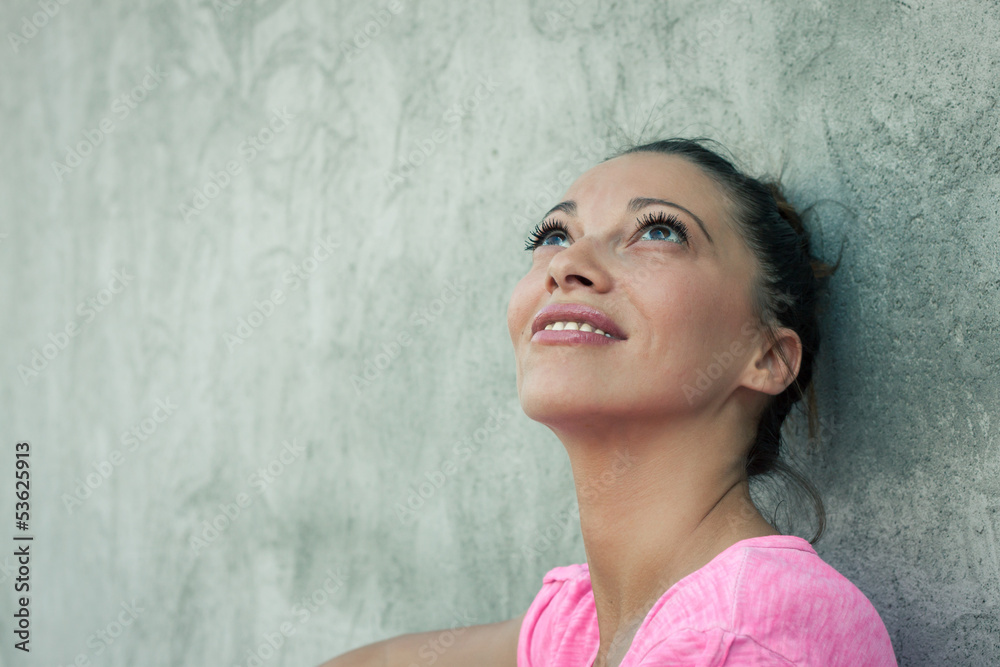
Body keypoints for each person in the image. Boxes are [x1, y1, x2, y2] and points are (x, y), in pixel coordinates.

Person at [320, 138, 898, 667]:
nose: (565, 265)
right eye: (553, 237)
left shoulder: (747, 635)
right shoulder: (577, 631)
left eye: (660, 231)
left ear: (767, 356)